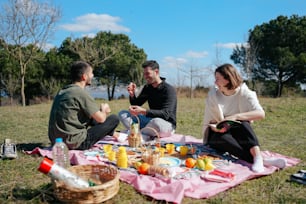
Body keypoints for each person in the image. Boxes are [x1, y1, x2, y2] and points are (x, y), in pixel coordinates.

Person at [202, 63, 286, 173]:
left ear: (227, 79)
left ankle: (257, 156)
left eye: (218, 78)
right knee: (223, 140)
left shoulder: (245, 93)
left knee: (242, 122)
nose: (215, 82)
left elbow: (261, 114)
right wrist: (216, 127)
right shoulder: (213, 95)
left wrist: (236, 116)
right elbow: (210, 120)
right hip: (217, 133)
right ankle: (262, 160)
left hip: (237, 130)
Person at [48, 61, 120, 150]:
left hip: (57, 141)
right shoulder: (80, 93)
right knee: (114, 119)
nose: (93, 76)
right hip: (76, 143)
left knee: (90, 117)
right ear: (84, 77)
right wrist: (104, 110)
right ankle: (114, 133)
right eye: (91, 73)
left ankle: (113, 133)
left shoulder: (63, 91)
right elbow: (101, 119)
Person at [118, 60, 177, 138]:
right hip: (149, 121)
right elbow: (136, 104)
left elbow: (166, 114)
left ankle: (137, 133)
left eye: (147, 73)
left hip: (166, 125)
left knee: (156, 122)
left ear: (156, 72)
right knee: (123, 114)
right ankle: (142, 134)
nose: (145, 77)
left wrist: (144, 111)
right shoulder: (148, 88)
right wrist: (132, 94)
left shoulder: (169, 90)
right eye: (144, 74)